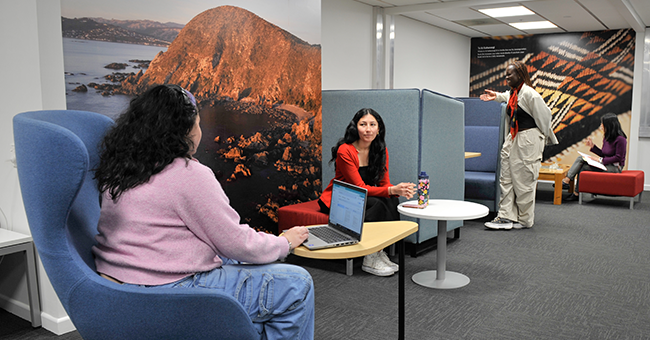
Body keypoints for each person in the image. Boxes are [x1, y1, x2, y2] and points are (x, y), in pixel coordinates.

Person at [92, 84, 314, 339]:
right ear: (184, 131)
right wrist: (284, 242)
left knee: (238, 264)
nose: (201, 130)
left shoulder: (120, 168)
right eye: (197, 123)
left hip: (121, 283)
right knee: (298, 285)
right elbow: (237, 243)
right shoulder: (189, 175)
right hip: (175, 288)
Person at [318, 108, 416, 276]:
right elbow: (359, 187)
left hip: (364, 194)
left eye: (372, 124)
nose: (368, 129)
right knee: (377, 203)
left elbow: (384, 182)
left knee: (392, 200)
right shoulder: (345, 150)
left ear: (379, 129)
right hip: (343, 196)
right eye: (363, 124)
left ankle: (379, 250)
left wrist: (397, 191)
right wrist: (392, 189)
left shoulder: (380, 149)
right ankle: (369, 256)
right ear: (355, 127)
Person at [480, 61, 558, 230]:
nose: (506, 77)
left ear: (520, 75)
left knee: (524, 182)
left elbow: (545, 118)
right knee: (506, 179)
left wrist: (539, 140)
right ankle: (505, 216)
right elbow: (509, 98)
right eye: (506, 74)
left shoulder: (531, 94)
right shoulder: (514, 93)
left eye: (510, 74)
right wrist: (497, 96)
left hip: (527, 139)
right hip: (513, 139)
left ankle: (524, 219)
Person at [561, 113, 627, 201]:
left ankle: (567, 181)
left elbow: (618, 158)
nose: (601, 126)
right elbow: (604, 154)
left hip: (615, 168)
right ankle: (574, 191)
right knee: (582, 165)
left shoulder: (621, 139)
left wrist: (600, 160)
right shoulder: (607, 137)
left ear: (609, 125)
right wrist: (593, 147)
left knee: (581, 160)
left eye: (602, 124)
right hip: (605, 164)